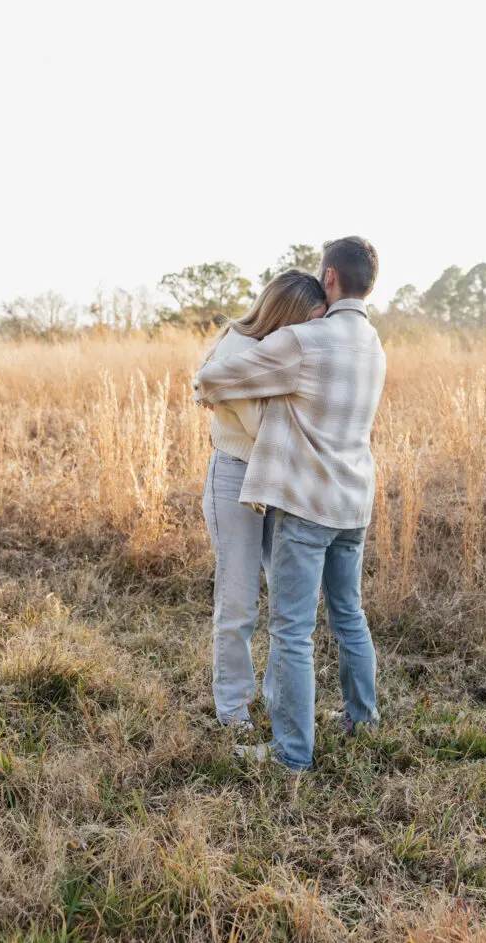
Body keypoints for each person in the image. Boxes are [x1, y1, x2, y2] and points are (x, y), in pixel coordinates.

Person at [194, 237, 386, 771]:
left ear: (329, 277)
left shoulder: (306, 341)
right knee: (349, 614)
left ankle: (291, 755)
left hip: (305, 503)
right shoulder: (374, 343)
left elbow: (212, 378)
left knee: (292, 631)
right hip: (354, 504)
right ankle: (361, 720)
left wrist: (213, 385)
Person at [201, 270, 327, 732]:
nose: (317, 331)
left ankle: (279, 703)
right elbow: (260, 429)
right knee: (237, 607)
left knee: (289, 600)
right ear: (288, 314)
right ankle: (233, 716)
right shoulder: (239, 348)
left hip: (276, 479)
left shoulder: (286, 349)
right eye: (312, 320)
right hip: (236, 476)